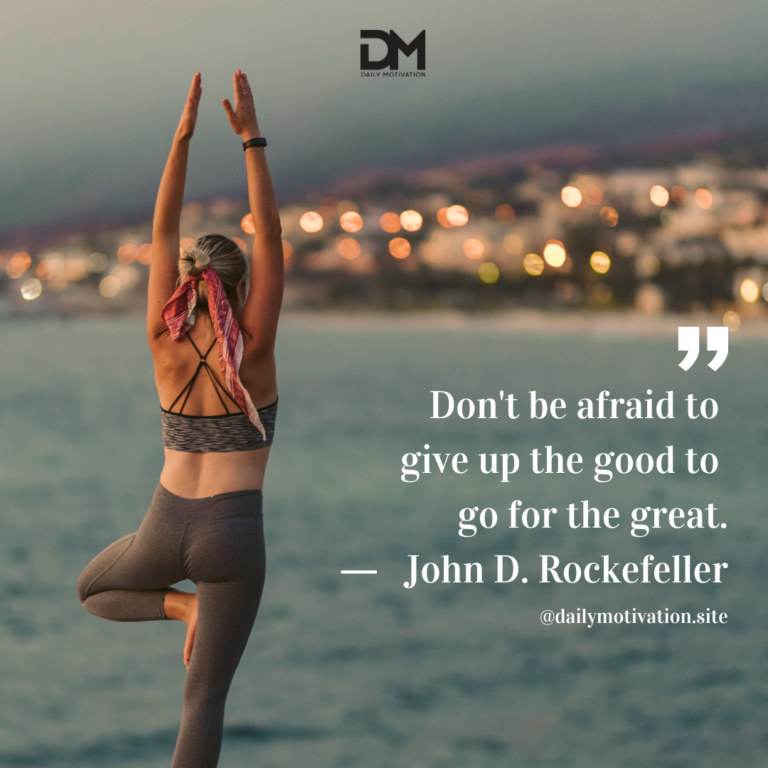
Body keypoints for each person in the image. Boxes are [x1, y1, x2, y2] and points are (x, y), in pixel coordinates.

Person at [76, 70, 284, 767]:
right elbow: (273, 238)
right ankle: (194, 608)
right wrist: (251, 139)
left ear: (189, 280)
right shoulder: (252, 348)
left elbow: (161, 229)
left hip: (166, 522)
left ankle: (180, 608)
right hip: (232, 533)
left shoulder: (162, 339)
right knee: (203, 706)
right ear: (241, 284)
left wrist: (181, 138)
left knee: (95, 587)